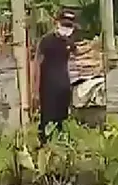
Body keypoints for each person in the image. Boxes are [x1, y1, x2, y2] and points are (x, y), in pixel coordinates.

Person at [32, 8, 89, 143]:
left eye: (69, 26)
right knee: (47, 120)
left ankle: (60, 148)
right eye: (64, 25)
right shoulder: (46, 41)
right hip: (48, 87)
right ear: (56, 23)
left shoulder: (69, 41)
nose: (66, 29)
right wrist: (35, 89)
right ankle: (44, 148)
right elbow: (36, 64)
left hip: (64, 86)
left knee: (61, 120)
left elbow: (79, 52)